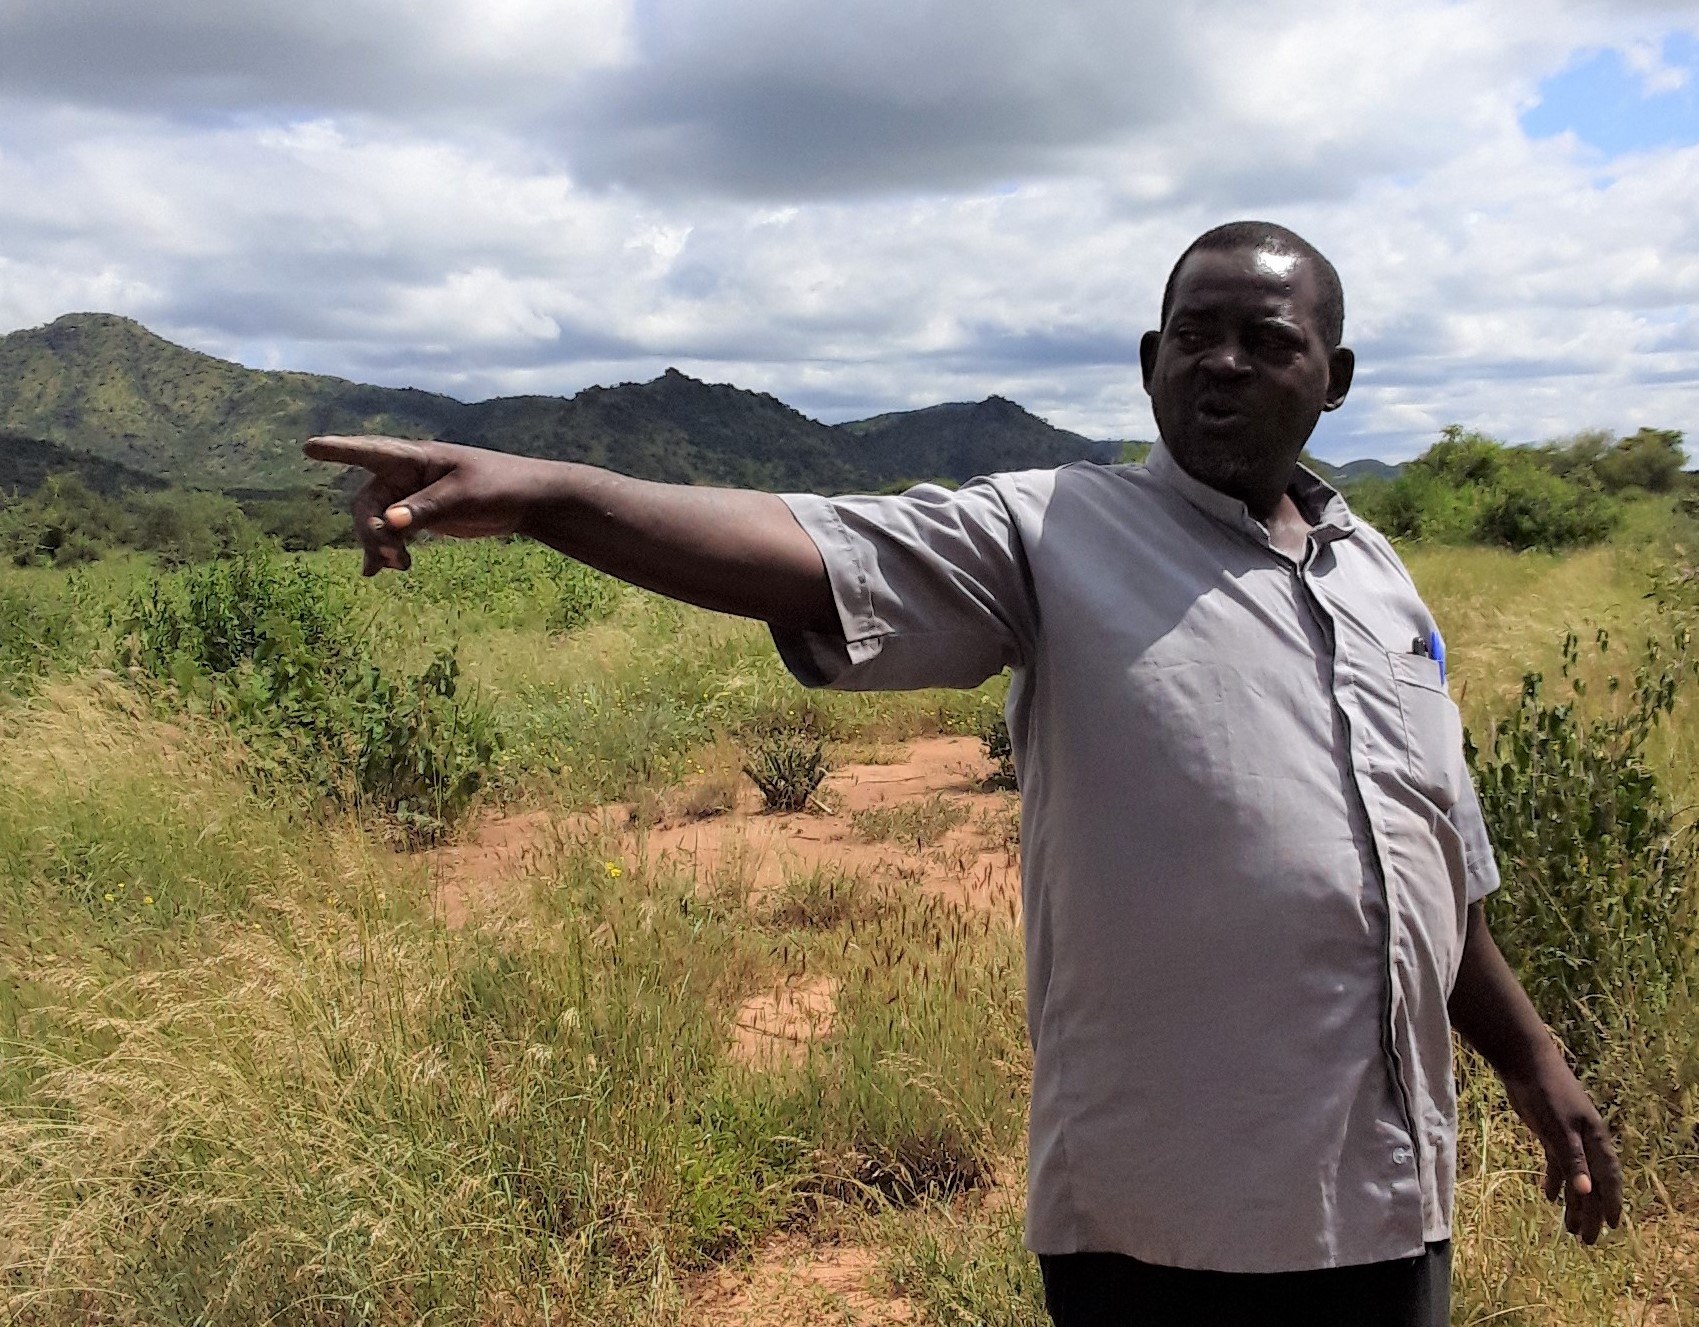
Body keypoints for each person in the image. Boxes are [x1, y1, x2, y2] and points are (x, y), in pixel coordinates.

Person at [307, 220, 1621, 1326]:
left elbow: (1428, 862)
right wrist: (549, 494)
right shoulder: (1052, 533)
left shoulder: (1377, 576)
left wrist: (1528, 1053)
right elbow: (809, 551)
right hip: (1166, 1226)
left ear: (1334, 378)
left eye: (1266, 340)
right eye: (1193, 334)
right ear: (1149, 362)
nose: (1221, 362)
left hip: (1391, 1202)